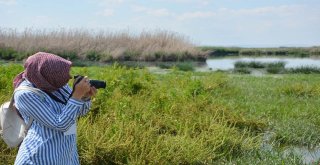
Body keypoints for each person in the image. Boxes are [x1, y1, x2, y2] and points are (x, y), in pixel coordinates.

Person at [13, 52, 97, 165]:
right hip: (40, 157)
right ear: (49, 74)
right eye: (64, 74)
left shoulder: (56, 83)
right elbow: (60, 124)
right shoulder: (25, 94)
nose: (69, 77)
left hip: (67, 155)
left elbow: (80, 112)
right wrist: (76, 95)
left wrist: (85, 96)